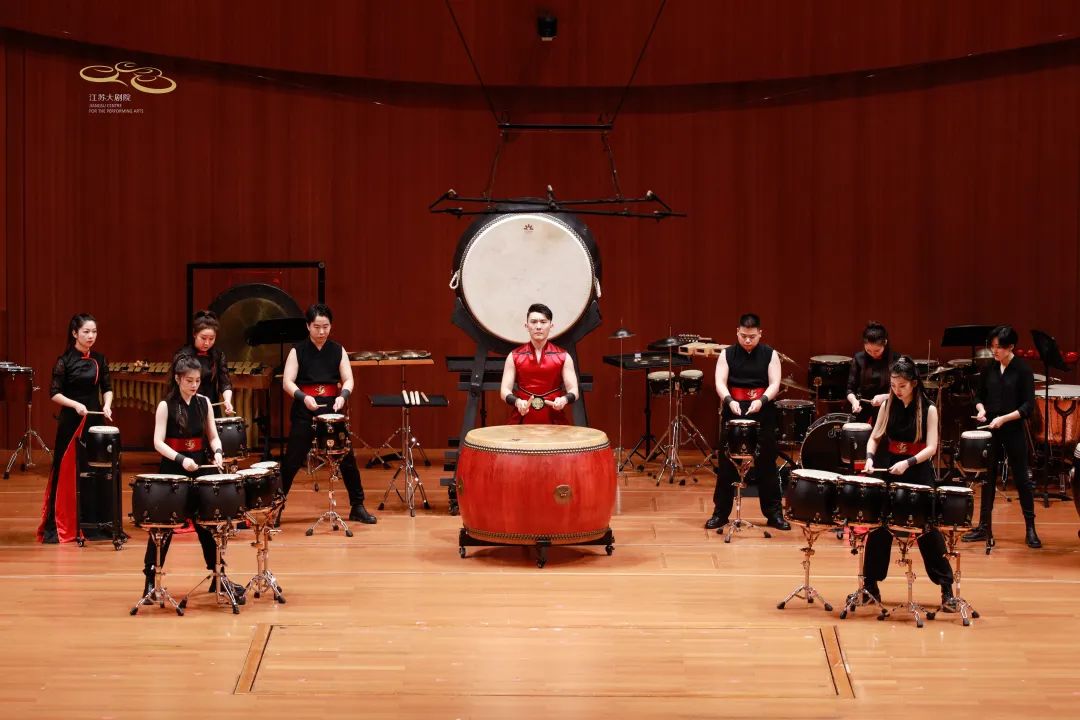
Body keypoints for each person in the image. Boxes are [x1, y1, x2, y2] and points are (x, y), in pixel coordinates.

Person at [141, 354, 245, 600]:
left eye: (197, 380)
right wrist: (180, 459)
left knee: (206, 525)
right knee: (162, 528)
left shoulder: (204, 402)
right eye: (189, 380)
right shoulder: (166, 405)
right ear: (178, 379)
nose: (194, 384)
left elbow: (213, 435)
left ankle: (218, 576)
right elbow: (157, 442)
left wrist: (218, 452)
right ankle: (150, 581)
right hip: (172, 471)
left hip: (198, 468)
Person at [863, 356, 957, 610]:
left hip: (917, 469)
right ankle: (870, 585)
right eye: (893, 385)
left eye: (902, 386)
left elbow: (932, 448)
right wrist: (869, 458)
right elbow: (874, 438)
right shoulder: (887, 405)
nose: (897, 390)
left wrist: (908, 462)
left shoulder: (929, 409)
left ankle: (946, 588)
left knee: (927, 529)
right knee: (879, 526)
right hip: (890, 467)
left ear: (914, 383)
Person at [280, 303, 376, 524]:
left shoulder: (337, 350)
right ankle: (276, 508)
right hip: (305, 411)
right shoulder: (297, 351)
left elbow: (348, 378)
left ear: (331, 326)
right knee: (292, 461)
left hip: (332, 411)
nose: (321, 331)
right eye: (317, 327)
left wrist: (343, 395)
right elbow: (287, 382)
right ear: (308, 326)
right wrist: (304, 397)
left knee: (347, 459)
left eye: (326, 326)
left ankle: (357, 506)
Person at [706, 313, 790, 532]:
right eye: (743, 336)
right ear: (737, 332)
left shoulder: (770, 354)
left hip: (762, 410)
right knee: (727, 464)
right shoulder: (727, 354)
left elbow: (774, 383)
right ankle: (720, 513)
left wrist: (762, 401)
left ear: (760, 333)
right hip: (734, 408)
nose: (747, 340)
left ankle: (774, 514)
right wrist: (729, 400)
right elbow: (720, 381)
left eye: (752, 336)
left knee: (767, 464)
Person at [37, 313, 115, 543]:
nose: (91, 336)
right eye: (86, 332)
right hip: (72, 421)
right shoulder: (64, 361)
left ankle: (94, 522)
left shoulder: (100, 359)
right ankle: (64, 522)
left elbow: (107, 387)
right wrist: (75, 405)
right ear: (74, 333)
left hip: (94, 421)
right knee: (69, 469)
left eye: (94, 332)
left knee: (94, 469)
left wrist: (107, 405)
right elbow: (54, 393)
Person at [963, 325, 1040, 548]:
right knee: (988, 478)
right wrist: (981, 409)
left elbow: (1028, 406)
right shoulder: (989, 368)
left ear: (1011, 347)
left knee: (1022, 479)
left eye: (999, 347)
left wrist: (1004, 419)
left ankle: (1030, 529)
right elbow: (979, 396)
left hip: (1013, 428)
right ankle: (983, 526)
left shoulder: (1023, 370)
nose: (994, 351)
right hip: (991, 428)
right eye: (992, 346)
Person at [500, 303, 580, 425]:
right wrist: (518, 402)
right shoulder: (514, 356)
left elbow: (574, 390)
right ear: (526, 326)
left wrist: (564, 400)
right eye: (533, 322)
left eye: (543, 322)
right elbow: (504, 390)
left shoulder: (564, 356)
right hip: (522, 417)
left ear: (551, 325)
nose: (538, 326)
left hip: (554, 418)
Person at [174, 310, 234, 414]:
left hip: (211, 406)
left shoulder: (217, 355)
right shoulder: (184, 355)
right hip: (189, 407)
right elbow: (180, 385)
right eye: (203, 338)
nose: (207, 343)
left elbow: (225, 382)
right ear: (194, 334)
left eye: (211, 339)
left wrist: (227, 400)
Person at [845, 321, 898, 424]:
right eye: (868, 350)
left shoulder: (896, 360)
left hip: (888, 409)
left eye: (877, 351)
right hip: (862, 408)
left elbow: (904, 392)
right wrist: (854, 401)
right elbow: (850, 389)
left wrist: (885, 397)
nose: (873, 354)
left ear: (885, 343)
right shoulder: (859, 358)